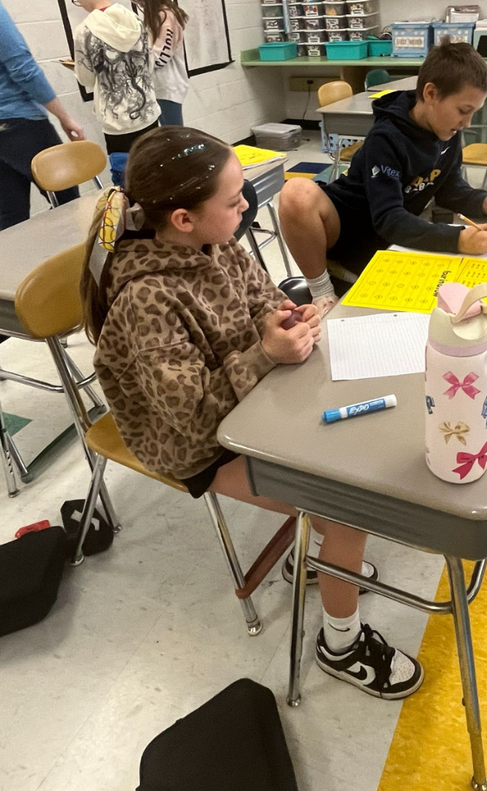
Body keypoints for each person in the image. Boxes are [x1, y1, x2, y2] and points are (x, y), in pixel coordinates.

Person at [80, 126, 423, 701]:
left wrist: (289, 317)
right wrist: (265, 353)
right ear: (184, 218)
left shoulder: (218, 242)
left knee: (356, 453)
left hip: (250, 404)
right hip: (198, 445)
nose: (248, 206)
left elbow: (261, 295)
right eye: (235, 200)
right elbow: (190, 418)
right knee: (348, 508)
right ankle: (340, 645)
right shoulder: (147, 298)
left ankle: (318, 559)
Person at [279, 40, 487, 316]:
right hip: (348, 229)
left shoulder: (448, 130)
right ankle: (322, 290)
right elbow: (389, 219)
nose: (468, 122)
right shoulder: (387, 138)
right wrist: (457, 239)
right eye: (464, 110)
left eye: (473, 112)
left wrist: (482, 201)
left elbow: (449, 188)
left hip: (389, 235)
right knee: (296, 192)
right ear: (430, 93)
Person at [0, 0, 84, 230]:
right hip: (18, 121)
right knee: (67, 200)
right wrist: (64, 117)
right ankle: (70, 264)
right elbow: (22, 67)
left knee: (10, 214)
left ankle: (21, 266)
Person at [69, 0, 160, 155]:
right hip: (148, 113)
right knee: (155, 174)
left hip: (117, 123)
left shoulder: (84, 32)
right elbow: (149, 64)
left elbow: (86, 79)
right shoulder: (136, 20)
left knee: (127, 178)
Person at [126, 0, 189, 127]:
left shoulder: (165, 16)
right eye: (134, 1)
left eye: (141, 0)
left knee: (174, 136)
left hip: (168, 87)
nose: (140, 5)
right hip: (159, 86)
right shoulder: (154, 14)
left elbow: (160, 58)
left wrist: (131, 61)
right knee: (169, 136)